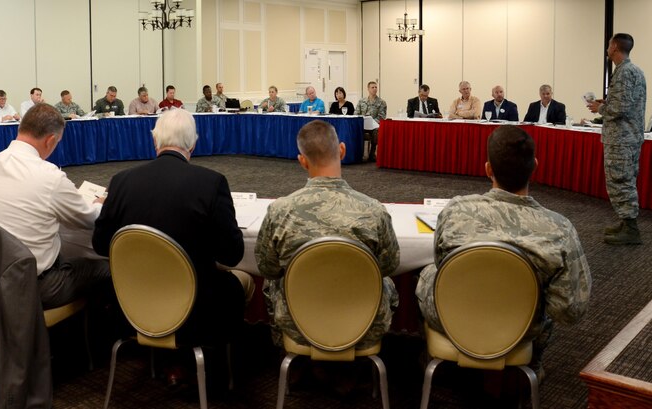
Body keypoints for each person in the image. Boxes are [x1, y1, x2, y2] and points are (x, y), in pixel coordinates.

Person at [416, 125, 591, 372]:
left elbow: (441, 262)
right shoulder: (560, 229)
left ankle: (428, 359)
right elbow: (571, 311)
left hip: (451, 317)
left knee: (426, 273)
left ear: (488, 169)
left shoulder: (455, 211)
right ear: (535, 167)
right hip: (521, 326)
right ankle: (531, 367)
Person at [92, 108, 253, 344]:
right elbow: (232, 254)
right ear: (193, 144)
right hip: (197, 306)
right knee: (238, 281)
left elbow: (100, 245)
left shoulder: (121, 181)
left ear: (154, 140)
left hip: (133, 299)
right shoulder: (211, 183)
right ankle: (223, 361)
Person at [256, 120, 399, 349]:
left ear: (302, 162)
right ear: (342, 150)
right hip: (364, 326)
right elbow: (390, 265)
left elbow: (267, 268)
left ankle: (293, 360)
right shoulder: (374, 211)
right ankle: (349, 372)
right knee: (387, 282)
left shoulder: (280, 211)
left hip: (297, 326)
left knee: (271, 282)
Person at [0, 103, 110, 309]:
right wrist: (99, 204)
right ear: (51, 140)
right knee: (107, 270)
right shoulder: (49, 176)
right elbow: (89, 221)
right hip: (32, 286)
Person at [588, 33, 648, 245]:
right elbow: (626, 103)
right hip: (628, 137)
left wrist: (600, 107)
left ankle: (630, 228)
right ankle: (626, 221)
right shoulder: (634, 71)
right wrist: (608, 101)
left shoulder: (624, 73)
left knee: (620, 180)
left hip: (621, 139)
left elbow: (620, 108)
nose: (607, 49)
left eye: (608, 45)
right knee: (625, 179)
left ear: (614, 47)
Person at [356, 81, 387, 162]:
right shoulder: (361, 101)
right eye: (372, 87)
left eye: (376, 87)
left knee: (376, 131)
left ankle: (372, 153)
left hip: (374, 125)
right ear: (368, 89)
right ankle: (358, 153)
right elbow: (356, 113)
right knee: (355, 129)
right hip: (363, 124)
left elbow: (382, 116)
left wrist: (372, 123)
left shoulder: (381, 102)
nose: (374, 89)